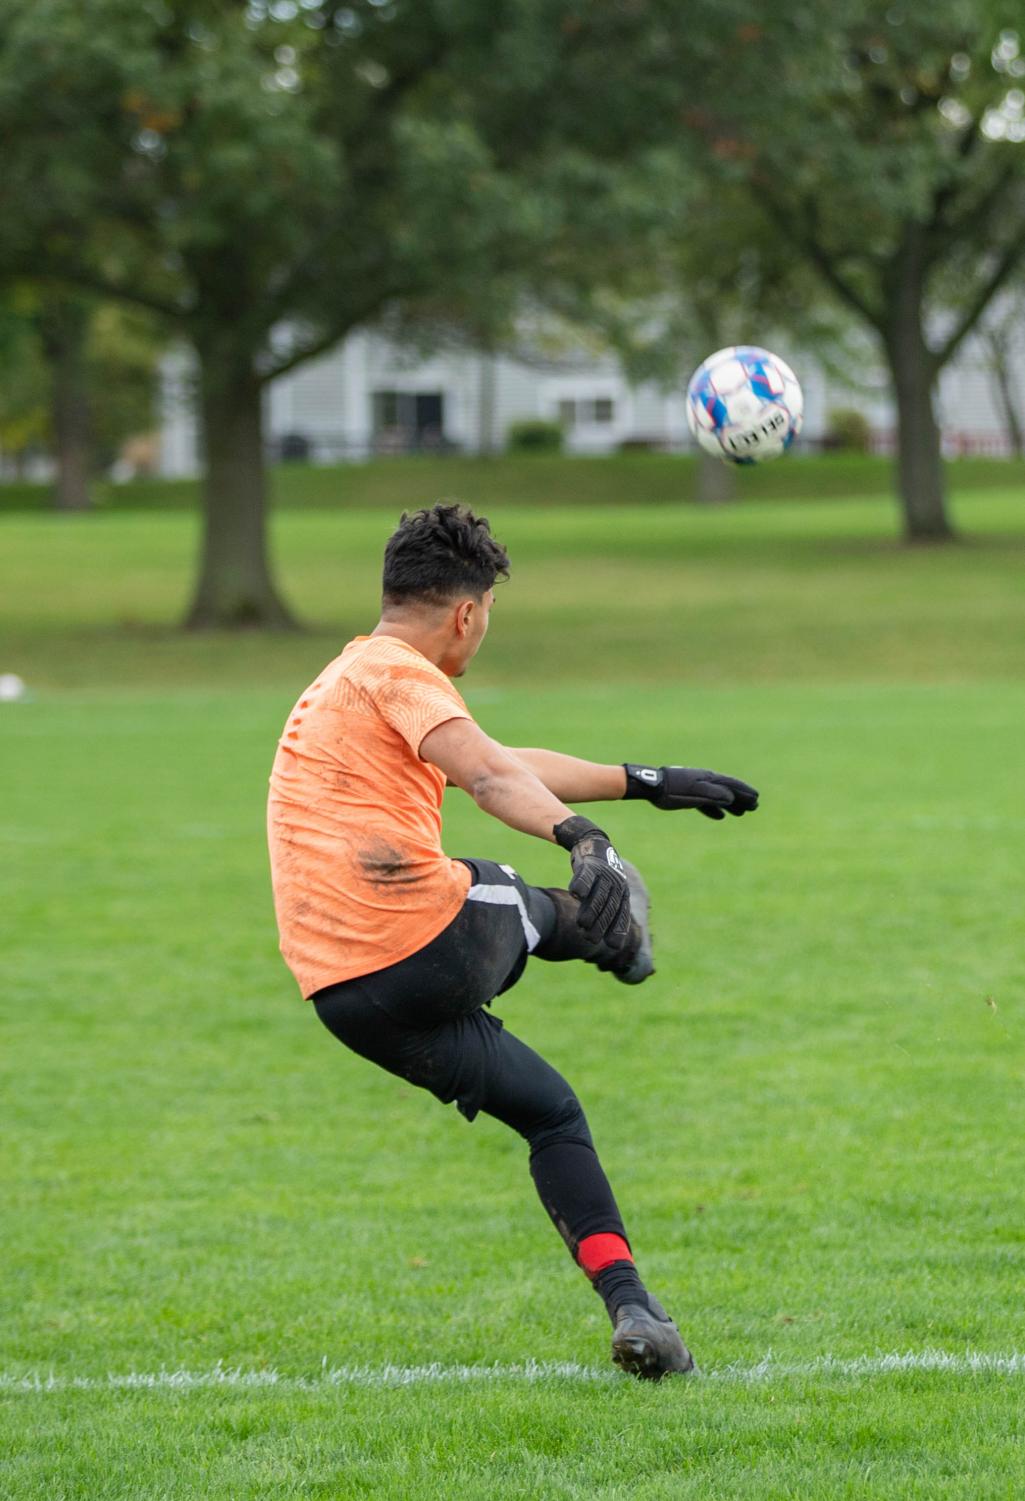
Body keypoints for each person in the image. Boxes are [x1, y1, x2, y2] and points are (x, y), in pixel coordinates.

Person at [267, 502, 759, 1380]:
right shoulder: (393, 670)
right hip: (417, 938)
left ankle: (637, 1312)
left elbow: (493, 755)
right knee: (510, 892)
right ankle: (613, 937)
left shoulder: (359, 677)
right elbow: (493, 776)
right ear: (466, 612)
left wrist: (645, 781)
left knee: (550, 1110)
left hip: (345, 994)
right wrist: (586, 842)